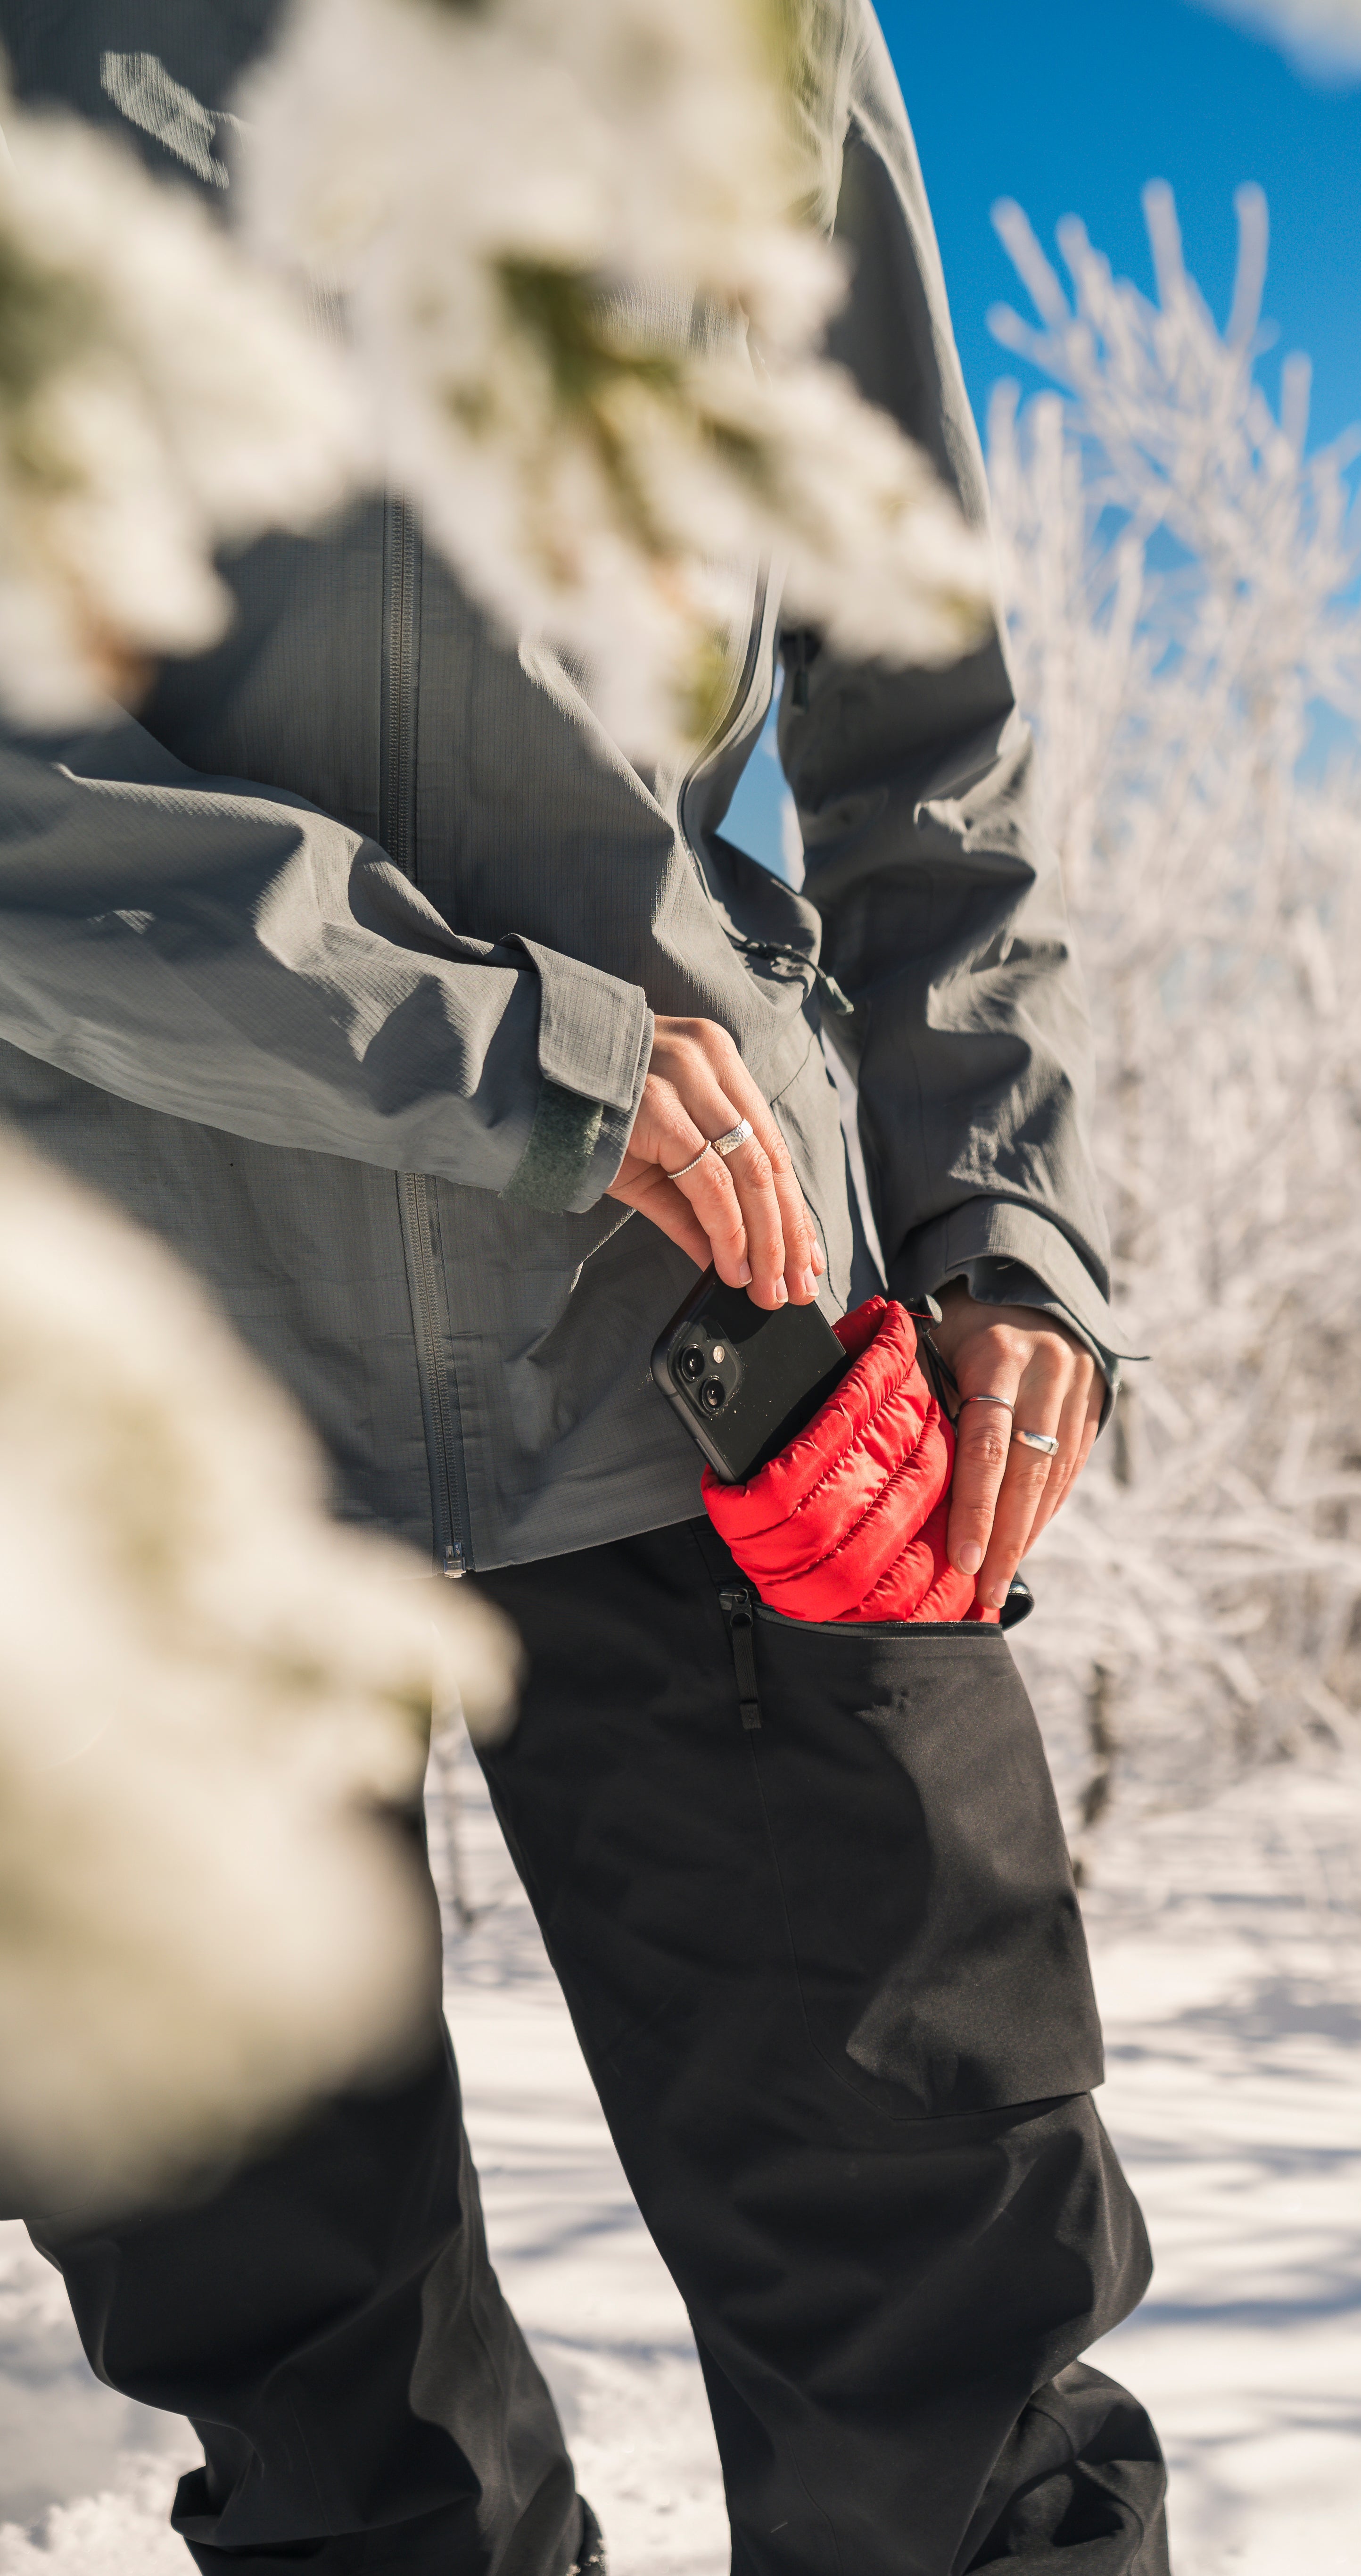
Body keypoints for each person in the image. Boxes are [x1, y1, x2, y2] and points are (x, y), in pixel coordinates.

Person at [0, 4, 1171, 2571]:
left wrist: (1006, 1211)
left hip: (718, 1364)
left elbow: (921, 704)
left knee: (957, 2384)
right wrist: (492, 1049)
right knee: (330, 2458)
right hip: (136, 1406)